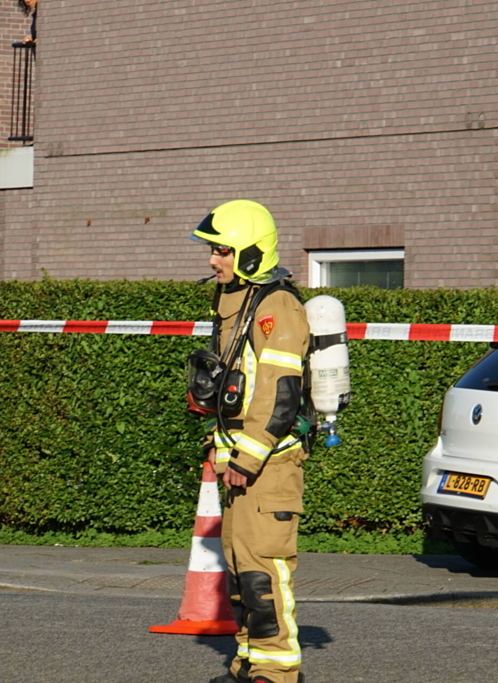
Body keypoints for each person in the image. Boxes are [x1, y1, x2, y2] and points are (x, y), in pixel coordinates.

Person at [190, 200, 310, 683]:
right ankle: (251, 662)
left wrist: (250, 453)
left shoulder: (275, 305)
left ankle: (278, 673)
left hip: (267, 464)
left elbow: (281, 392)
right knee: (241, 573)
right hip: (239, 460)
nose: (212, 260)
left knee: (264, 571)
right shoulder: (236, 302)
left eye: (221, 250)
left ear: (250, 253)